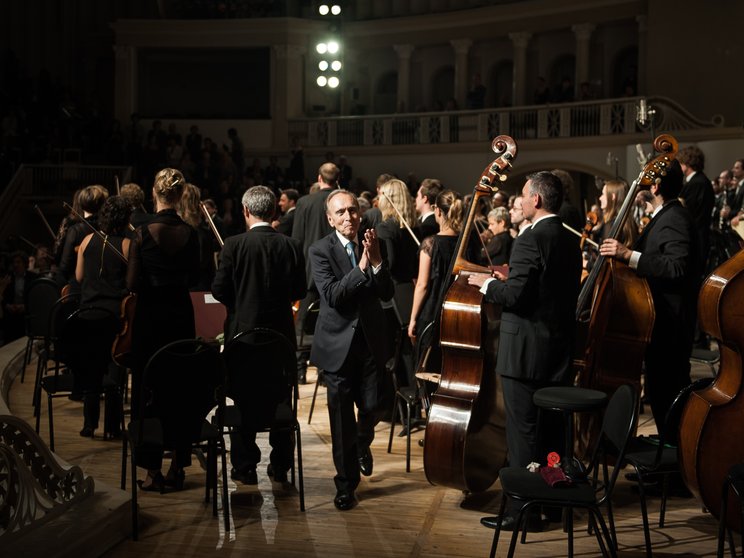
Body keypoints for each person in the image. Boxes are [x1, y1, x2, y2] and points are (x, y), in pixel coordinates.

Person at [468, 171, 582, 531]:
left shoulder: (531, 239)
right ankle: (552, 502)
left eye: (522, 196)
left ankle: (523, 512)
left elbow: (517, 298)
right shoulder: (567, 238)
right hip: (556, 350)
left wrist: (487, 284)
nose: (519, 201)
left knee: (522, 437)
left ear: (536, 200)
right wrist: (511, 278)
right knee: (551, 436)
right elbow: (545, 290)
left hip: (525, 354)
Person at [211, 186, 306, 485]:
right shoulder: (291, 245)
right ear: (275, 212)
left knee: (242, 399)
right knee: (281, 398)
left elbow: (218, 290)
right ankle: (280, 465)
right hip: (280, 337)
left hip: (243, 338)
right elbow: (299, 291)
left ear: (246, 212)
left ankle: (244, 466)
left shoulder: (234, 245)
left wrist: (239, 303)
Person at [308, 189, 394, 511]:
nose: (349, 217)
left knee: (374, 406)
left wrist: (377, 262)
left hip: (371, 342)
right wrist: (361, 267)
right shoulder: (320, 251)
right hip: (336, 346)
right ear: (330, 219)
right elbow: (333, 296)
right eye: (341, 212)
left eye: (353, 211)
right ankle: (346, 485)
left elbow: (386, 292)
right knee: (341, 420)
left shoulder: (373, 242)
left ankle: (362, 441)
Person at [600, 160, 699, 436]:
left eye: (648, 181)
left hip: (671, 324)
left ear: (655, 186)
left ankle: (675, 466)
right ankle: (668, 462)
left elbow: (676, 266)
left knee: (668, 393)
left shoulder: (674, 217)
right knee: (660, 393)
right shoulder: (666, 215)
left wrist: (627, 255)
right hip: (662, 321)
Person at [126, 167, 200, 492]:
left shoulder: (140, 232)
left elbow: (131, 283)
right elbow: (197, 278)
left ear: (154, 193)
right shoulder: (192, 233)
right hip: (181, 314)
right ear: (181, 195)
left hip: (150, 315)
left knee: (147, 391)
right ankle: (177, 466)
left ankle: (151, 470)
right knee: (182, 389)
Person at [74, 196, 132, 438]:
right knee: (114, 372)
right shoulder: (127, 245)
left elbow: (79, 277)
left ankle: (89, 425)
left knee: (91, 369)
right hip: (113, 316)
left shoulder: (87, 240)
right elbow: (131, 283)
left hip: (86, 314)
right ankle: (112, 428)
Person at [291, 162, 339, 383]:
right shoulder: (340, 201)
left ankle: (300, 370)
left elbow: (297, 240)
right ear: (336, 179)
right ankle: (324, 371)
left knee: (302, 323)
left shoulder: (304, 202)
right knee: (329, 322)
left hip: (309, 272)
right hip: (336, 273)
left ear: (319, 178)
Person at [408, 190, 463, 370]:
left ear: (437, 211)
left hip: (432, 313)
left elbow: (422, 285)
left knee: (427, 367)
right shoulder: (467, 242)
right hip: (459, 314)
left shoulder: (431, 244)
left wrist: (413, 319)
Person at [58, 184, 109, 292]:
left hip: (79, 289)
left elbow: (65, 266)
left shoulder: (75, 230)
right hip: (104, 287)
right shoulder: (108, 228)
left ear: (81, 204)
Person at [677, 145, 714, 273]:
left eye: (680, 163)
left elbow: (689, 213)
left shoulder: (697, 183)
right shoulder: (700, 181)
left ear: (687, 164)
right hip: (698, 237)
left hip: (696, 240)